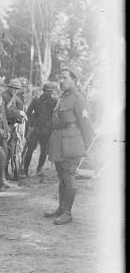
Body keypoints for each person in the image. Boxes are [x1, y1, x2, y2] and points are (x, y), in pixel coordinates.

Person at [46, 67, 94, 225]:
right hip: (60, 143)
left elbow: (86, 125)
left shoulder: (78, 98)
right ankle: (61, 207)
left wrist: (84, 147)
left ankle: (68, 213)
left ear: (74, 80)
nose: (61, 80)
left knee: (69, 177)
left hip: (72, 145)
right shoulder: (63, 98)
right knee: (62, 178)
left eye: (65, 78)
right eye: (60, 78)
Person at [22, 81, 56, 176]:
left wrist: (53, 126)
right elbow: (28, 113)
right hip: (36, 130)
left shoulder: (54, 102)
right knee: (30, 151)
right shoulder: (36, 101)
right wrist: (32, 121)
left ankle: (39, 169)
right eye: (47, 91)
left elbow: (56, 115)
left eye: (50, 91)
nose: (49, 93)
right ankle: (25, 170)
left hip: (47, 131)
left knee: (44, 151)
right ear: (43, 90)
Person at [2, 78, 27, 175]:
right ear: (9, 87)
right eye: (13, 88)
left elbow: (21, 111)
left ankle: (8, 172)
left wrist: (19, 118)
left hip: (14, 126)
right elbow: (6, 112)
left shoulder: (18, 97)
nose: (14, 90)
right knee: (4, 150)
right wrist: (19, 112)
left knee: (12, 150)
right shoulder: (3, 96)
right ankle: (3, 173)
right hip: (5, 125)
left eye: (16, 88)